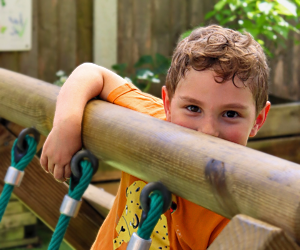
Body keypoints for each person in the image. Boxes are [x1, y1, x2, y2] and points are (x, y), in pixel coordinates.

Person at [40, 25, 270, 249]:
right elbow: (91, 73)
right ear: (168, 104)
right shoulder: (151, 121)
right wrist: (66, 127)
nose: (208, 131)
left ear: (258, 120)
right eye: (193, 108)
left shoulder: (242, 207)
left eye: (231, 114)